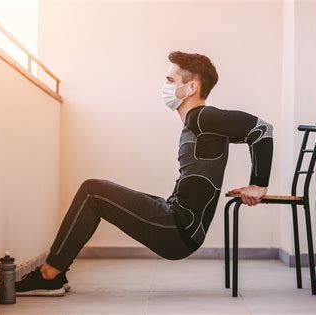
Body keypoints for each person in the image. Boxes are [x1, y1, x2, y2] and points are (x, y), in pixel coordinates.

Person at [15, 51, 274, 296]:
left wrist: (258, 184)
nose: (166, 86)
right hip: (175, 218)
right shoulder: (200, 122)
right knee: (96, 194)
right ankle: (53, 273)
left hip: (177, 229)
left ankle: (50, 275)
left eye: (171, 80)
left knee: (92, 191)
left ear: (191, 87)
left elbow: (261, 129)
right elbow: (250, 134)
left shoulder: (202, 117)